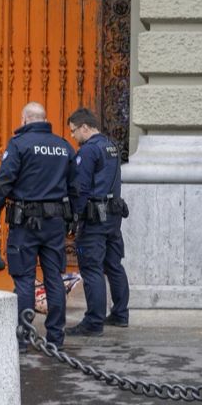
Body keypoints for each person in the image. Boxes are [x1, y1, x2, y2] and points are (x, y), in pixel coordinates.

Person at [0, 102, 78, 352]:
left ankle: (23, 337)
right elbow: (76, 185)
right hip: (54, 223)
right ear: (44, 119)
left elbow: (4, 181)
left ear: (25, 119)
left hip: (24, 223)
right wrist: (73, 219)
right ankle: (56, 338)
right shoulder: (63, 146)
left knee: (25, 279)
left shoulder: (19, 144)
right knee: (54, 279)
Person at [65, 107, 130, 337]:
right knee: (113, 265)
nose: (73, 136)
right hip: (113, 217)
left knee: (91, 268)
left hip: (94, 218)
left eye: (74, 131)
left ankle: (93, 322)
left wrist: (74, 216)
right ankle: (121, 314)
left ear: (85, 127)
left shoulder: (89, 150)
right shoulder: (111, 145)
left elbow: (81, 188)